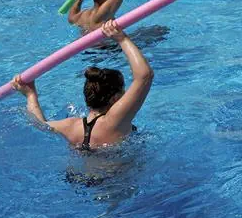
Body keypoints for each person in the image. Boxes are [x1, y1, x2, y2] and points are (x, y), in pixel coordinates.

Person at [11, 20, 153, 151]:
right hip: (116, 170)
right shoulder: (115, 121)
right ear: (115, 98)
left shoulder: (71, 126)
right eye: (123, 91)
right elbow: (144, 76)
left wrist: (30, 95)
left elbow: (39, 125)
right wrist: (122, 39)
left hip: (75, 171)